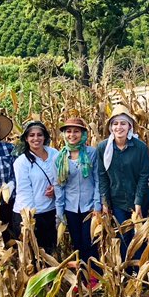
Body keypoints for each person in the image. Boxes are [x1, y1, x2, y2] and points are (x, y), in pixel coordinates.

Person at [95, 104, 149, 264]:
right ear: (111, 127)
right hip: (117, 200)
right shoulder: (103, 148)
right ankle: (126, 270)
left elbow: (143, 175)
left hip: (139, 199)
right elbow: (102, 176)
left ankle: (140, 269)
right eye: (115, 123)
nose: (119, 127)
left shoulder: (140, 148)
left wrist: (139, 201)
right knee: (124, 236)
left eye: (123, 123)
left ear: (129, 127)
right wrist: (105, 201)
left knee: (139, 235)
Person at [54, 118, 100, 279]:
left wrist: (97, 205)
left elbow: (97, 180)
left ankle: (95, 277)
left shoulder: (91, 153)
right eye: (68, 131)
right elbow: (59, 186)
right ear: (64, 135)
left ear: (83, 134)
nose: (72, 135)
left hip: (89, 207)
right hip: (71, 207)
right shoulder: (60, 158)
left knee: (90, 242)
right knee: (77, 244)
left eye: (76, 131)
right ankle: (81, 277)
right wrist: (60, 212)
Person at [13, 120, 59, 256]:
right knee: (33, 257)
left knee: (50, 254)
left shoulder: (55, 154)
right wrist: (29, 221)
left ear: (45, 137)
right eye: (31, 135)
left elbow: (62, 178)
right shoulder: (21, 162)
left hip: (50, 212)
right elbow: (24, 191)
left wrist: (56, 188)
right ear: (26, 139)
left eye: (39, 135)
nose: (36, 138)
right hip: (30, 215)